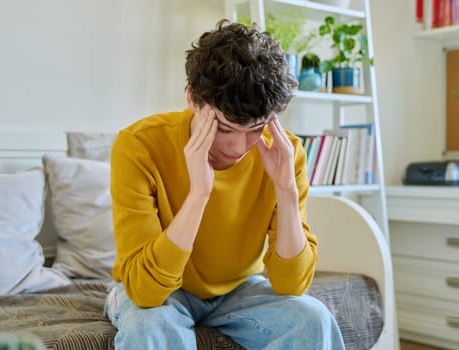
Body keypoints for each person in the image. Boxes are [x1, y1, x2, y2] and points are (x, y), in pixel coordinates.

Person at [104, 19, 345, 350]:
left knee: (312, 319)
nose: (237, 147)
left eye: (255, 128)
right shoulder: (138, 145)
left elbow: (291, 284)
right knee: (152, 326)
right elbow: (145, 290)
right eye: (224, 128)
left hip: (239, 290)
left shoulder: (284, 153)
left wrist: (286, 190)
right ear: (192, 99)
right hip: (159, 290)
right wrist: (199, 193)